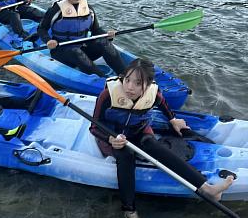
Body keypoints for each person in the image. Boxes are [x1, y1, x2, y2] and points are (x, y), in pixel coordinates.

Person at [89, 59, 234, 218]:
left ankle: (206, 188)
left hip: (139, 130)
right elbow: (94, 127)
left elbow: (163, 104)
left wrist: (173, 119)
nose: (130, 87)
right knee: (125, 155)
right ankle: (129, 209)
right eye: (127, 80)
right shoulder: (108, 94)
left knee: (152, 144)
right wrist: (110, 139)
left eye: (138, 83)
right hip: (112, 135)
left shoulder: (153, 93)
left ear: (149, 83)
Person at [37, 0, 127, 77]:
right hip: (61, 51)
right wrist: (48, 40)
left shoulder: (88, 8)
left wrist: (107, 35)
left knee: (104, 42)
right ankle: (104, 80)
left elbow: (96, 30)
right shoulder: (55, 10)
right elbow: (41, 29)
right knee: (76, 52)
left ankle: (124, 75)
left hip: (83, 48)